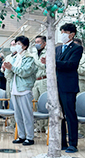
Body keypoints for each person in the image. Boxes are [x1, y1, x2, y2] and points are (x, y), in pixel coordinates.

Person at [41, 23, 82, 153]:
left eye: (64, 32)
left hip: (68, 86)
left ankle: (73, 144)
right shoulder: (57, 49)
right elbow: (53, 66)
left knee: (70, 115)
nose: (62, 34)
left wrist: (52, 62)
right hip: (56, 86)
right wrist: (47, 63)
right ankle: (62, 142)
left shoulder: (77, 48)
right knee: (59, 115)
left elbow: (71, 65)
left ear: (72, 34)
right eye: (61, 31)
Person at [4, 35, 37, 146]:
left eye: (19, 44)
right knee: (18, 115)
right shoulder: (14, 58)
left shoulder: (30, 58)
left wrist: (12, 68)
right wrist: (8, 68)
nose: (16, 46)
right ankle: (21, 136)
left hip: (24, 89)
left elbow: (25, 72)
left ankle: (30, 137)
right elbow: (8, 74)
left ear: (25, 46)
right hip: (14, 89)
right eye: (15, 44)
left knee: (27, 114)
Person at [32, 36, 48, 133]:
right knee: (36, 104)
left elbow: (44, 65)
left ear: (44, 43)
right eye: (35, 42)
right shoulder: (34, 54)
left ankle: (46, 126)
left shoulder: (48, 53)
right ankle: (39, 126)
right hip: (35, 80)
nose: (36, 44)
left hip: (44, 79)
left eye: (38, 42)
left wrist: (36, 61)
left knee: (45, 103)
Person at [74, 38, 85, 138]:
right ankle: (74, 130)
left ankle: (82, 131)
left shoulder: (84, 57)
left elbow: (83, 70)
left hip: (82, 83)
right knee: (73, 107)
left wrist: (74, 65)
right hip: (72, 82)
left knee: (81, 107)